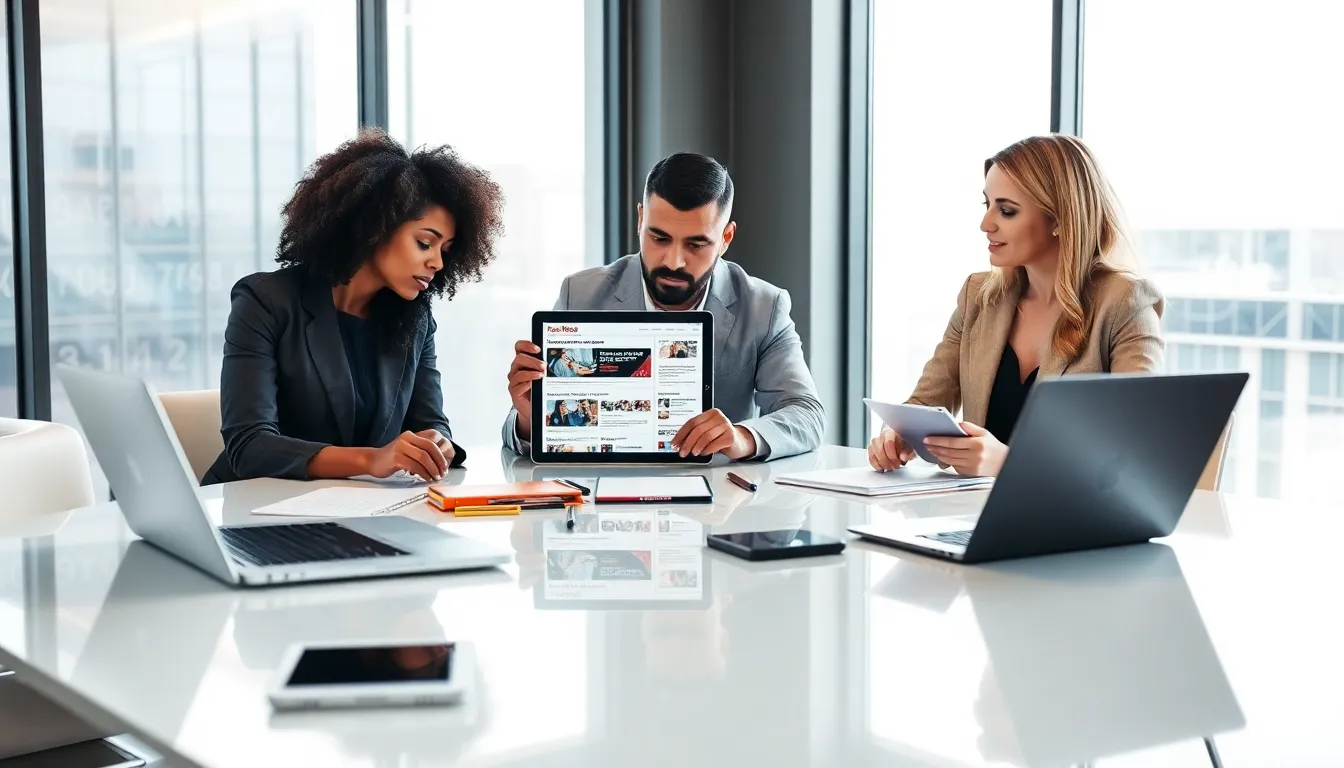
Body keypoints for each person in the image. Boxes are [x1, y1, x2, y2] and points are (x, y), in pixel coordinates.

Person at [202, 129, 505, 485]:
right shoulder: (266, 300)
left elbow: (429, 422)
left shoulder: (415, 321)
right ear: (375, 227)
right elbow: (250, 446)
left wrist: (437, 443)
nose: (437, 263)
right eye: (425, 243)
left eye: (445, 251)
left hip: (355, 509)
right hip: (248, 506)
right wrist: (371, 460)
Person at [868, 134, 1164, 477]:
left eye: (1006, 210)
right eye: (987, 205)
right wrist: (898, 435)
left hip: (1070, 511)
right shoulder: (978, 296)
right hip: (970, 507)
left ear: (1059, 218)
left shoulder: (1126, 303)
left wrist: (1007, 463)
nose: (986, 224)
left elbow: (1135, 451)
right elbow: (925, 403)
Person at [502, 152, 825, 460]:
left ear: (725, 238)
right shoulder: (581, 294)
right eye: (659, 239)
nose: (674, 261)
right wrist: (530, 419)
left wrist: (742, 437)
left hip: (718, 489)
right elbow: (519, 432)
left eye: (696, 244)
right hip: (607, 485)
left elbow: (806, 414)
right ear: (641, 219)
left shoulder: (764, 307)